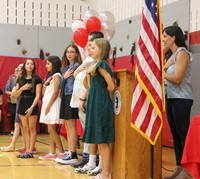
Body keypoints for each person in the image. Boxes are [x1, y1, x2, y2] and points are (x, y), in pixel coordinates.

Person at [70, 31, 104, 172]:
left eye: (91, 45)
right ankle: (87, 158)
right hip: (80, 98)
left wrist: (83, 99)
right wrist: (78, 70)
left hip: (87, 98)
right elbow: (76, 74)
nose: (88, 47)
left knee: (90, 130)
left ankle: (90, 158)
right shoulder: (88, 59)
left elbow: (86, 81)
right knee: (86, 129)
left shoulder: (95, 61)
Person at [163, 25, 193, 179]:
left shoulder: (182, 53)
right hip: (171, 97)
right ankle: (178, 167)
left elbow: (177, 78)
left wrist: (161, 72)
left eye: (165, 37)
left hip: (182, 98)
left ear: (174, 37)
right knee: (175, 135)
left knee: (183, 134)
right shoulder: (170, 56)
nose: (163, 40)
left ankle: (188, 171)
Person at [83, 39, 115, 179]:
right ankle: (103, 172)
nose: (90, 49)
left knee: (102, 141)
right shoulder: (93, 65)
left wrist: (101, 95)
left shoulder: (102, 64)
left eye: (93, 48)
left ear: (101, 50)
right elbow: (88, 86)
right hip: (94, 102)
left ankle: (106, 174)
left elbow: (111, 86)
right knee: (98, 140)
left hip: (100, 104)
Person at [55, 43, 82, 165]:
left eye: (72, 52)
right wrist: (64, 77)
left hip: (72, 96)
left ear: (76, 54)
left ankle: (73, 153)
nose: (69, 54)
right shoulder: (65, 68)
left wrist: (65, 78)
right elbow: (60, 86)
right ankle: (71, 152)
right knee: (68, 125)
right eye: (67, 52)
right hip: (65, 96)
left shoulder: (77, 66)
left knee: (72, 126)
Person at [11, 59, 42, 158]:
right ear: (24, 66)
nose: (30, 65)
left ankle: (30, 151)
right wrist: (22, 88)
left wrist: (32, 107)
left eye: (32, 64)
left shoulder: (37, 79)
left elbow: (38, 95)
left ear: (34, 66)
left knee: (32, 128)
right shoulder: (20, 79)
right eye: (28, 64)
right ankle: (27, 149)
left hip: (32, 103)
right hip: (22, 103)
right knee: (25, 128)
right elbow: (15, 95)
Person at [39, 56, 65, 160]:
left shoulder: (57, 75)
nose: (46, 66)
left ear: (54, 64)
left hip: (53, 104)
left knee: (51, 130)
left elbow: (55, 93)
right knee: (51, 130)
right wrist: (45, 83)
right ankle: (52, 152)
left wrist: (49, 106)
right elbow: (43, 93)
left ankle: (62, 152)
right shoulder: (50, 76)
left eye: (48, 64)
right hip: (48, 102)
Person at [4, 67, 19, 135]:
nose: (17, 72)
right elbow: (6, 90)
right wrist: (13, 94)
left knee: (20, 114)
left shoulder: (22, 79)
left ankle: (20, 129)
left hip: (21, 100)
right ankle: (12, 130)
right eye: (16, 70)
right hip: (11, 101)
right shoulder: (11, 79)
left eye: (18, 70)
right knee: (13, 113)